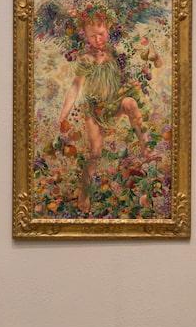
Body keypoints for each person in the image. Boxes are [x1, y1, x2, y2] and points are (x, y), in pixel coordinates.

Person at [56, 11, 162, 212]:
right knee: (95, 152)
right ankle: (84, 196)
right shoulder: (86, 59)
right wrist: (64, 113)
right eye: (92, 36)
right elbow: (75, 87)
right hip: (95, 110)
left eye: (101, 34)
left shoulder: (115, 54)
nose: (97, 39)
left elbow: (125, 76)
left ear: (108, 31)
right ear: (85, 37)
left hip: (115, 103)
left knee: (130, 102)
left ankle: (146, 148)